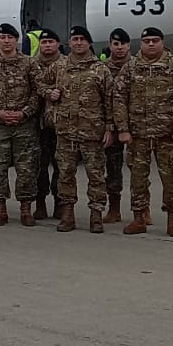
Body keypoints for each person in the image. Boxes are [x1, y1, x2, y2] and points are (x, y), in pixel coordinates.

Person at [113, 26, 173, 237]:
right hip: (138, 135)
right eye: (146, 41)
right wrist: (123, 129)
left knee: (171, 178)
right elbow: (119, 99)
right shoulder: (130, 68)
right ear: (141, 43)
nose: (150, 44)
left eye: (154, 40)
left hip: (167, 136)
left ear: (162, 43)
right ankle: (139, 218)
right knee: (138, 178)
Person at [43, 25, 114, 233]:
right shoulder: (59, 66)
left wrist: (110, 128)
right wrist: (50, 93)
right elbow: (38, 82)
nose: (79, 42)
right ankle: (67, 215)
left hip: (92, 133)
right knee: (65, 175)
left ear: (89, 43)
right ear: (69, 43)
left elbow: (110, 101)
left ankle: (96, 215)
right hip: (65, 133)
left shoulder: (100, 69)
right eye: (75, 39)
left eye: (83, 39)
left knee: (96, 176)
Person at [0, 23, 40, 226]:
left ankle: (26, 209)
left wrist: (24, 112)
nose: (6, 41)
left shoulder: (29, 63)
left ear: (16, 40)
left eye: (10, 37)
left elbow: (38, 91)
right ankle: (0, 209)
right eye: (2, 37)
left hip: (24, 126)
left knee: (26, 169)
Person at [99, 27, 133, 225]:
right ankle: (114, 209)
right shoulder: (103, 69)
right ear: (111, 46)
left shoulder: (138, 66)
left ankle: (142, 210)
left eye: (123, 44)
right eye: (115, 44)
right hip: (112, 125)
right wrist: (109, 127)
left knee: (138, 170)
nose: (119, 48)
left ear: (129, 45)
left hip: (136, 125)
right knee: (113, 168)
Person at [29, 33, 63, 219]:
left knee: (61, 167)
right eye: (44, 42)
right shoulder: (31, 65)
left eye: (51, 42)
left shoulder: (67, 65)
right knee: (39, 167)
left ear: (58, 44)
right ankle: (40, 203)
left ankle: (59, 202)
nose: (47, 45)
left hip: (60, 125)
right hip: (38, 125)